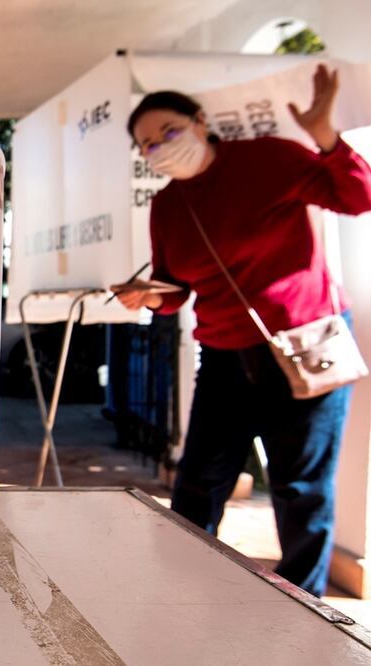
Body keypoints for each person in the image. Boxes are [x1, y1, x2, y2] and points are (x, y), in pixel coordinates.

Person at [118, 64, 371, 597]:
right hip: (225, 357)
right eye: (147, 145)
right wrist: (149, 295)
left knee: (302, 490)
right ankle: (180, 592)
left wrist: (326, 136)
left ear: (200, 121)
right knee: (198, 486)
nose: (161, 146)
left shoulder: (267, 158)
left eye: (168, 130)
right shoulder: (167, 205)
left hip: (304, 345)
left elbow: (356, 197)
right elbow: (176, 287)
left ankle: (304, 609)